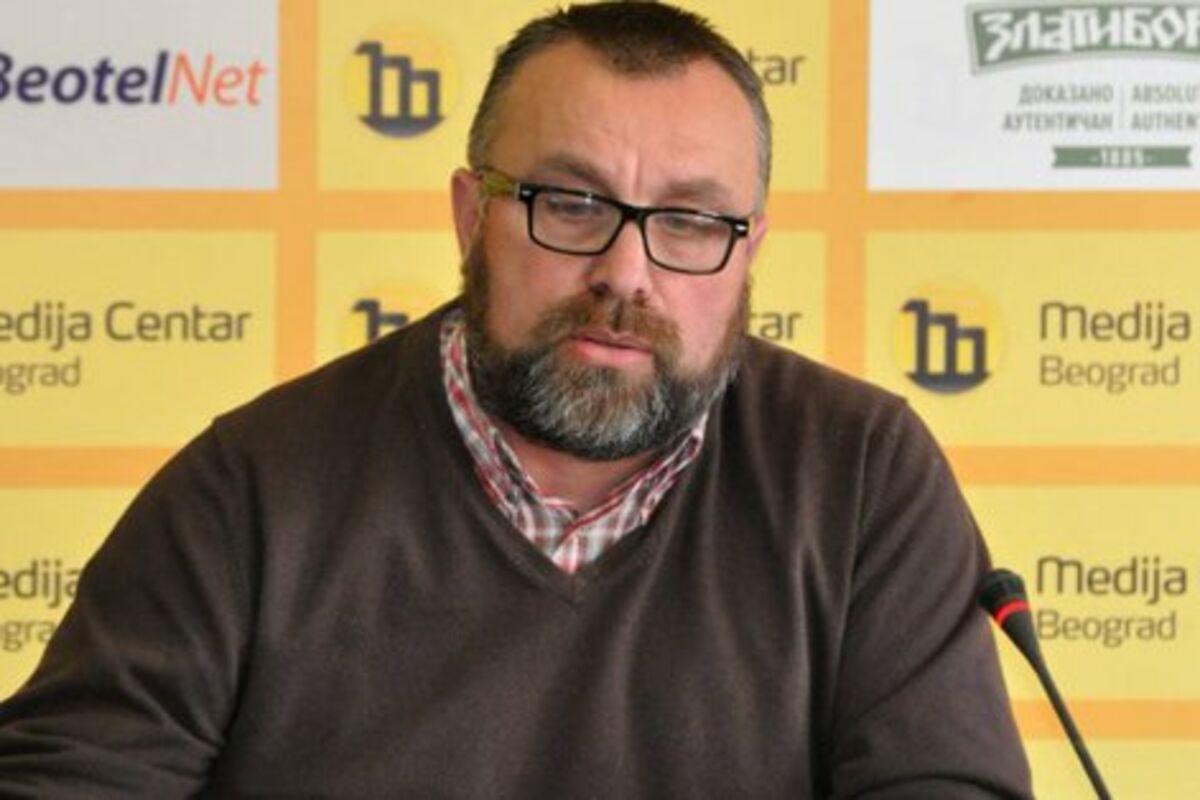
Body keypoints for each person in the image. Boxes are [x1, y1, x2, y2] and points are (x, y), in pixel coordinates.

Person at [0, 2, 1032, 797]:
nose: (627, 272)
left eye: (688, 221)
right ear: (472, 216)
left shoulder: (861, 472)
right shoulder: (251, 489)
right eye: (571, 203)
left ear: (748, 249)